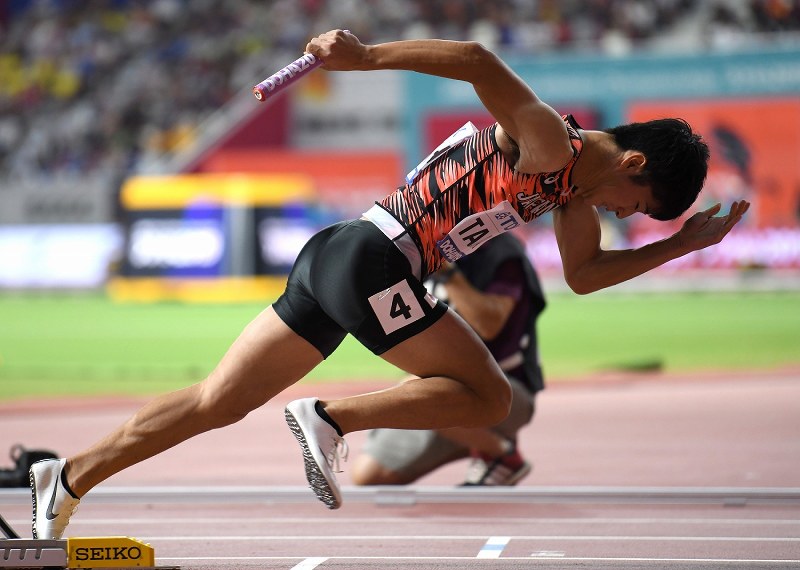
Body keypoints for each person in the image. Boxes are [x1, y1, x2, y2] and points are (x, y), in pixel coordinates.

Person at [30, 30, 749, 539]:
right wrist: (365, 57)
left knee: (217, 402)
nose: (625, 219)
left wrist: (680, 245)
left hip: (342, 254)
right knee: (492, 395)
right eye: (639, 209)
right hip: (377, 258)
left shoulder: (567, 193)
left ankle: (69, 477)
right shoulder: (551, 146)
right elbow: (476, 60)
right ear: (631, 168)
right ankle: (329, 418)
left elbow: (586, 277)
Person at [351, 232, 545, 487]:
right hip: (439, 387)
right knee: (369, 476)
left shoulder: (498, 249)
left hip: (504, 389)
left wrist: (446, 271)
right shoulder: (413, 254)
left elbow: (488, 324)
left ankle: (501, 452)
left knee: (412, 393)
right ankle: (476, 441)